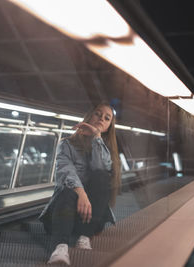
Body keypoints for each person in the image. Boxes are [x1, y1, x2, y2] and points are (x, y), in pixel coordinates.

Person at [39, 103, 121, 265]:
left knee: (102, 176)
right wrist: (81, 193)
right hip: (63, 213)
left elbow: (101, 168)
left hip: (90, 220)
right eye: (98, 114)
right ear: (89, 116)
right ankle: (60, 248)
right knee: (68, 189)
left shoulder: (106, 150)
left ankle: (84, 238)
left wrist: (96, 137)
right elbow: (65, 171)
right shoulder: (66, 144)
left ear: (108, 127)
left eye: (107, 118)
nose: (101, 119)